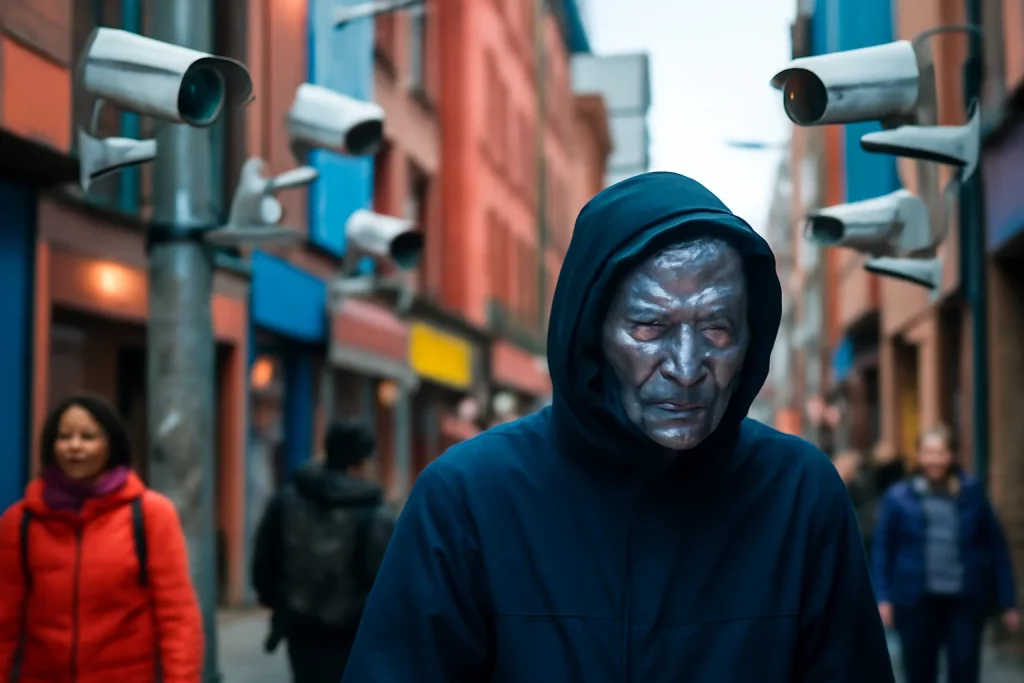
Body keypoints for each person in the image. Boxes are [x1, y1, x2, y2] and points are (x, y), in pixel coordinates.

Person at [342, 172, 894, 682]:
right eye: (650, 326)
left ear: (753, 336)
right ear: (592, 332)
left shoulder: (800, 496)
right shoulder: (468, 498)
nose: (685, 366)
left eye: (718, 328)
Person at [0, 394, 203, 683]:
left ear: (111, 445)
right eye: (64, 436)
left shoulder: (150, 514)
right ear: (51, 446)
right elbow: (4, 618)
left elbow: (178, 616)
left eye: (88, 436)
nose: (75, 446)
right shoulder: (21, 520)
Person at [252, 420, 396, 683]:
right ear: (359, 464)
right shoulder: (377, 516)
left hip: (300, 632)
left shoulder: (286, 502)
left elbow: (262, 569)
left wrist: (284, 605)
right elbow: (390, 587)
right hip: (354, 635)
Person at [873, 424, 1019, 683]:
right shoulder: (898, 498)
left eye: (940, 452)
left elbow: (996, 548)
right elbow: (883, 549)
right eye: (928, 452)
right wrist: (883, 598)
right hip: (914, 601)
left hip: (964, 601)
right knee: (919, 673)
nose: (934, 460)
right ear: (919, 456)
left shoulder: (972, 493)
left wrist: (1008, 601)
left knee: (964, 670)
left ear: (950, 456)